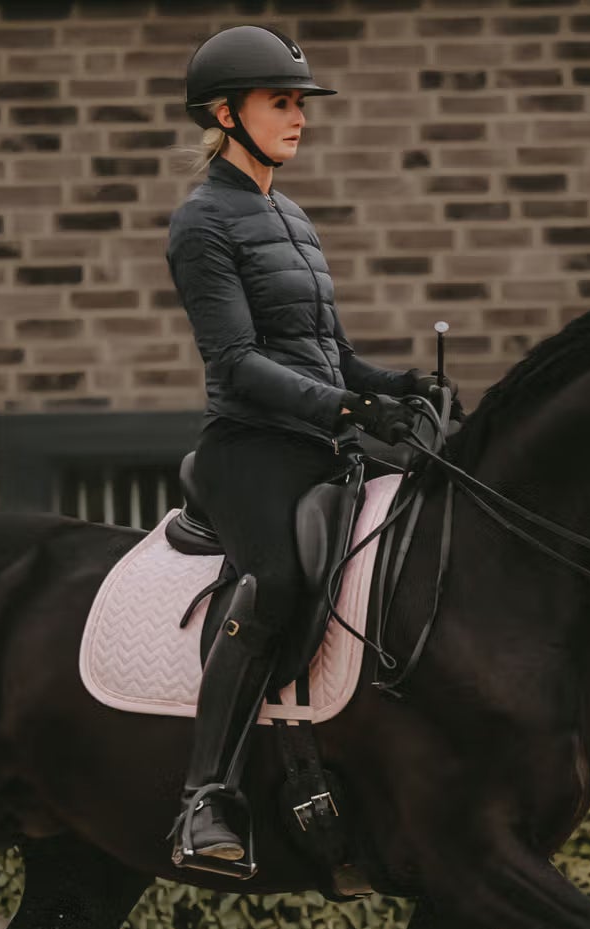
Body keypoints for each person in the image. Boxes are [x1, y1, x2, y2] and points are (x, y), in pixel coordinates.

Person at [165, 25, 456, 870]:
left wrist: (396, 384)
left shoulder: (287, 213)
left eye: (300, 104)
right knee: (278, 581)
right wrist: (349, 403)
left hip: (320, 436)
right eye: (280, 103)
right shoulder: (202, 223)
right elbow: (239, 364)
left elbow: (324, 349)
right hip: (250, 447)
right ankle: (205, 796)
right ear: (226, 113)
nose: (298, 118)